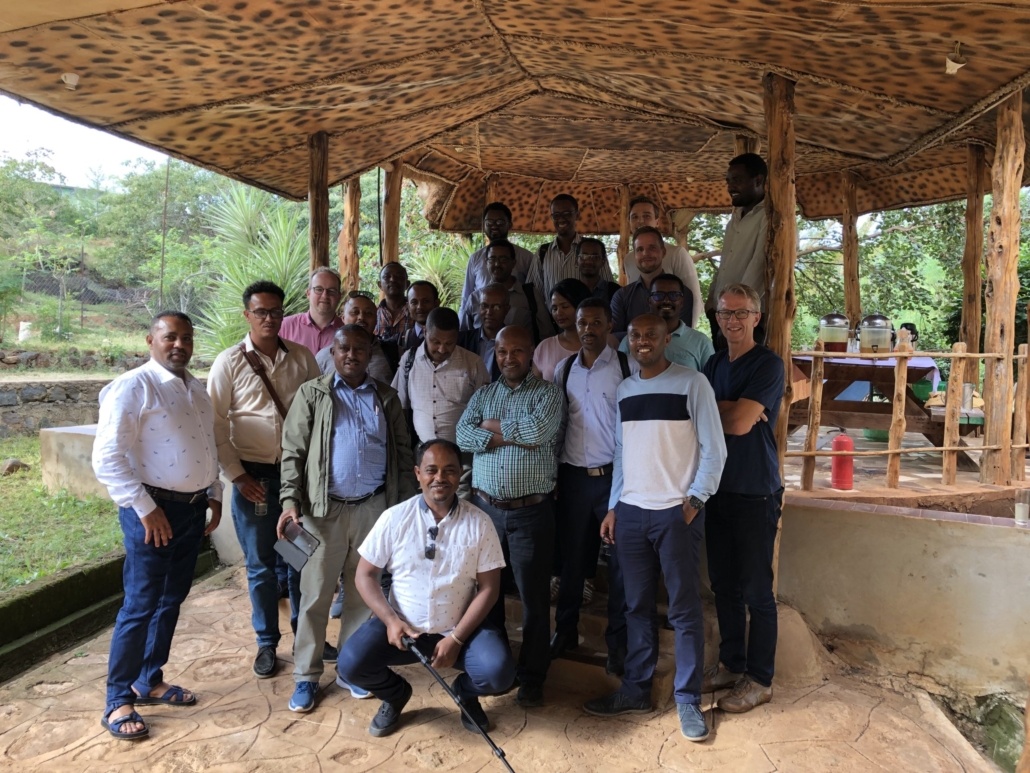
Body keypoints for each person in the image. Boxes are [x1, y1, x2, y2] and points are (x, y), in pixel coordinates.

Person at [584, 313, 726, 743]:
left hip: (675, 514)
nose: (642, 341)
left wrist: (694, 501)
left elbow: (715, 450)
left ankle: (687, 699)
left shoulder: (692, 383)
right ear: (627, 341)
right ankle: (636, 691)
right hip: (631, 513)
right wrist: (614, 506)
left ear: (667, 340)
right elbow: (622, 453)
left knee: (683, 610)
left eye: (651, 335)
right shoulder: (626, 390)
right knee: (636, 606)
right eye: (635, 336)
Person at [92, 311, 222, 741]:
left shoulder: (195, 388)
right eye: (170, 337)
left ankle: (149, 679)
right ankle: (118, 698)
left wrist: (214, 492)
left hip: (191, 509)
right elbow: (107, 458)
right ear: (151, 340)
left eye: (186, 337)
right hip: (153, 512)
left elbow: (207, 444)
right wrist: (146, 509)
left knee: (171, 599)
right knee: (141, 604)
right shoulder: (134, 386)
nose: (179, 345)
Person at [336, 439, 515, 738]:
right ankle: (395, 695)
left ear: (460, 474)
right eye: (431, 470)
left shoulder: (480, 523)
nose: (440, 478)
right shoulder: (394, 518)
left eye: (449, 470)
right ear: (418, 474)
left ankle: (465, 693)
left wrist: (456, 638)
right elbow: (365, 575)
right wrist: (391, 621)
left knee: (498, 673)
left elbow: (489, 589)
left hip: (459, 630)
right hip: (404, 629)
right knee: (351, 664)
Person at [278, 324, 415, 714]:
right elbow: (293, 452)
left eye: (359, 348)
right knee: (315, 595)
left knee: (362, 594)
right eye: (344, 349)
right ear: (332, 353)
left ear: (369, 353)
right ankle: (306, 675)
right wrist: (290, 501)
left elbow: (403, 453)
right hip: (323, 511)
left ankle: (350, 671)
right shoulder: (313, 394)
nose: (351, 355)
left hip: (374, 508)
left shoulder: (386, 397)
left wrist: (404, 509)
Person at [207, 281, 325, 680]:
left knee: (297, 561)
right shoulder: (228, 362)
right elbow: (215, 424)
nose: (269, 319)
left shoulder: (302, 358)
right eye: (261, 312)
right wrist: (237, 476)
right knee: (260, 566)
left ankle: (305, 636)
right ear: (247, 315)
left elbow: (319, 412)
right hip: (253, 479)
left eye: (275, 311)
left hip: (294, 479)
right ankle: (266, 643)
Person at [456, 326, 564, 708]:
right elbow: (462, 435)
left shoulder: (548, 394)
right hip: (486, 512)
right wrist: (505, 434)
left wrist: (489, 428)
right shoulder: (484, 394)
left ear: (531, 352)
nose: (508, 358)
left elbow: (538, 432)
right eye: (502, 351)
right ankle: (497, 666)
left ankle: (533, 677)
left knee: (534, 599)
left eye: (517, 350)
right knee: (490, 594)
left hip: (530, 513)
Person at [702, 284, 784, 713]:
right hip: (716, 487)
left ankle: (760, 679)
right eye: (725, 313)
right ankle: (731, 665)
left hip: (755, 489)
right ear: (716, 319)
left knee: (756, 590)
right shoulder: (714, 363)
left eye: (741, 313)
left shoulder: (768, 364)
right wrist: (734, 408)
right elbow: (701, 415)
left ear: (756, 317)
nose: (732, 320)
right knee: (723, 584)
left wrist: (725, 410)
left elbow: (736, 424)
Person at [549, 298, 636, 676]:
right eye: (582, 323)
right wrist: (553, 475)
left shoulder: (626, 367)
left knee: (619, 564)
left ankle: (618, 644)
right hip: (572, 478)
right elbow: (558, 424)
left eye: (596, 322)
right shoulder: (564, 368)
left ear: (609, 325)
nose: (587, 329)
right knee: (572, 561)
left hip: (613, 479)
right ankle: (565, 631)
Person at [394, 307, 489, 446]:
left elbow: (486, 410)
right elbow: (400, 406)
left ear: (457, 337)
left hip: (463, 451)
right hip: (423, 448)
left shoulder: (473, 363)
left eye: (449, 343)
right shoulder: (409, 360)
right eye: (436, 342)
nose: (442, 349)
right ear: (425, 332)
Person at [706, 153, 769, 348]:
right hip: (722, 312)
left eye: (737, 180)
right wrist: (712, 303)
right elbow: (725, 265)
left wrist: (737, 311)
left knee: (746, 365)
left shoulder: (769, 217)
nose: (730, 187)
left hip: (746, 317)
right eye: (728, 181)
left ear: (758, 180)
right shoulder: (734, 219)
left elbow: (759, 265)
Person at [621, 196, 702, 327]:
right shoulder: (629, 259)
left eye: (646, 216)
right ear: (629, 222)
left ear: (657, 221)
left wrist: (687, 333)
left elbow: (694, 298)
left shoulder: (677, 254)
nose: (640, 221)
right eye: (634, 217)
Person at [459, 239, 551, 342]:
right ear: (486, 263)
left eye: (503, 260)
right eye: (492, 259)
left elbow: (546, 334)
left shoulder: (530, 295)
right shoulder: (475, 298)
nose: (497, 264)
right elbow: (463, 337)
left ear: (513, 263)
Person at [619, 274, 713, 372]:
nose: (666, 301)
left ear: (682, 302)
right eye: (658, 295)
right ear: (649, 301)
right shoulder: (631, 341)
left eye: (674, 295)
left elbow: (711, 379)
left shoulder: (701, 342)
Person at [460, 202, 541, 314]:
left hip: (516, 319)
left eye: (500, 222)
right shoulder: (475, 258)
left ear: (510, 224)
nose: (494, 226)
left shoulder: (525, 257)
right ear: (483, 225)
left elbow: (535, 293)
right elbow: (466, 297)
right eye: (489, 222)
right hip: (483, 320)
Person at [612, 226, 693, 335]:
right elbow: (615, 337)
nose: (645, 253)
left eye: (652, 248)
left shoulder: (682, 293)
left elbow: (683, 336)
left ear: (663, 252)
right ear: (634, 255)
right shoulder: (622, 296)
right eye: (640, 249)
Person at [538, 193, 614, 299]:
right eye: (556, 215)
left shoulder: (593, 250)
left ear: (577, 215)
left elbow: (608, 289)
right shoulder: (543, 252)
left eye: (567, 214)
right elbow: (534, 291)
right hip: (553, 310)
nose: (561, 219)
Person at [316, 291, 398, 382]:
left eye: (368, 313)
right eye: (355, 312)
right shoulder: (323, 357)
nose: (361, 317)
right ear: (343, 318)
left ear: (376, 319)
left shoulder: (394, 353)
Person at [532, 278, 592, 381]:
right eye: (554, 308)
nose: (558, 313)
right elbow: (535, 387)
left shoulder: (602, 343)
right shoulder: (545, 347)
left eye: (565, 306)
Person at [279, 267, 345, 356]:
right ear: (308, 293)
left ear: (339, 296)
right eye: (319, 289)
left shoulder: (347, 332)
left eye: (331, 291)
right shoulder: (285, 327)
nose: (325, 295)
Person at [457, 283, 510, 381]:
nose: (489, 312)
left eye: (496, 307)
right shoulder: (462, 341)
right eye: (484, 306)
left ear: (507, 309)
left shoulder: (513, 344)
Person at [374, 262, 410, 344]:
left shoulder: (417, 312)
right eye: (387, 277)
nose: (393, 280)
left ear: (407, 284)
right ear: (380, 285)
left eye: (399, 277)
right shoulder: (373, 313)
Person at [578, 237, 621, 304]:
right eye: (583, 256)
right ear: (576, 260)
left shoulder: (615, 291)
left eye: (595, 257)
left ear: (603, 262)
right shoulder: (570, 291)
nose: (589, 261)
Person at [400, 280, 440, 353]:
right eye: (414, 302)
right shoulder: (400, 341)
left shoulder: (455, 339)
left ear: (436, 304)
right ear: (408, 306)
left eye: (426, 301)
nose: (420, 307)